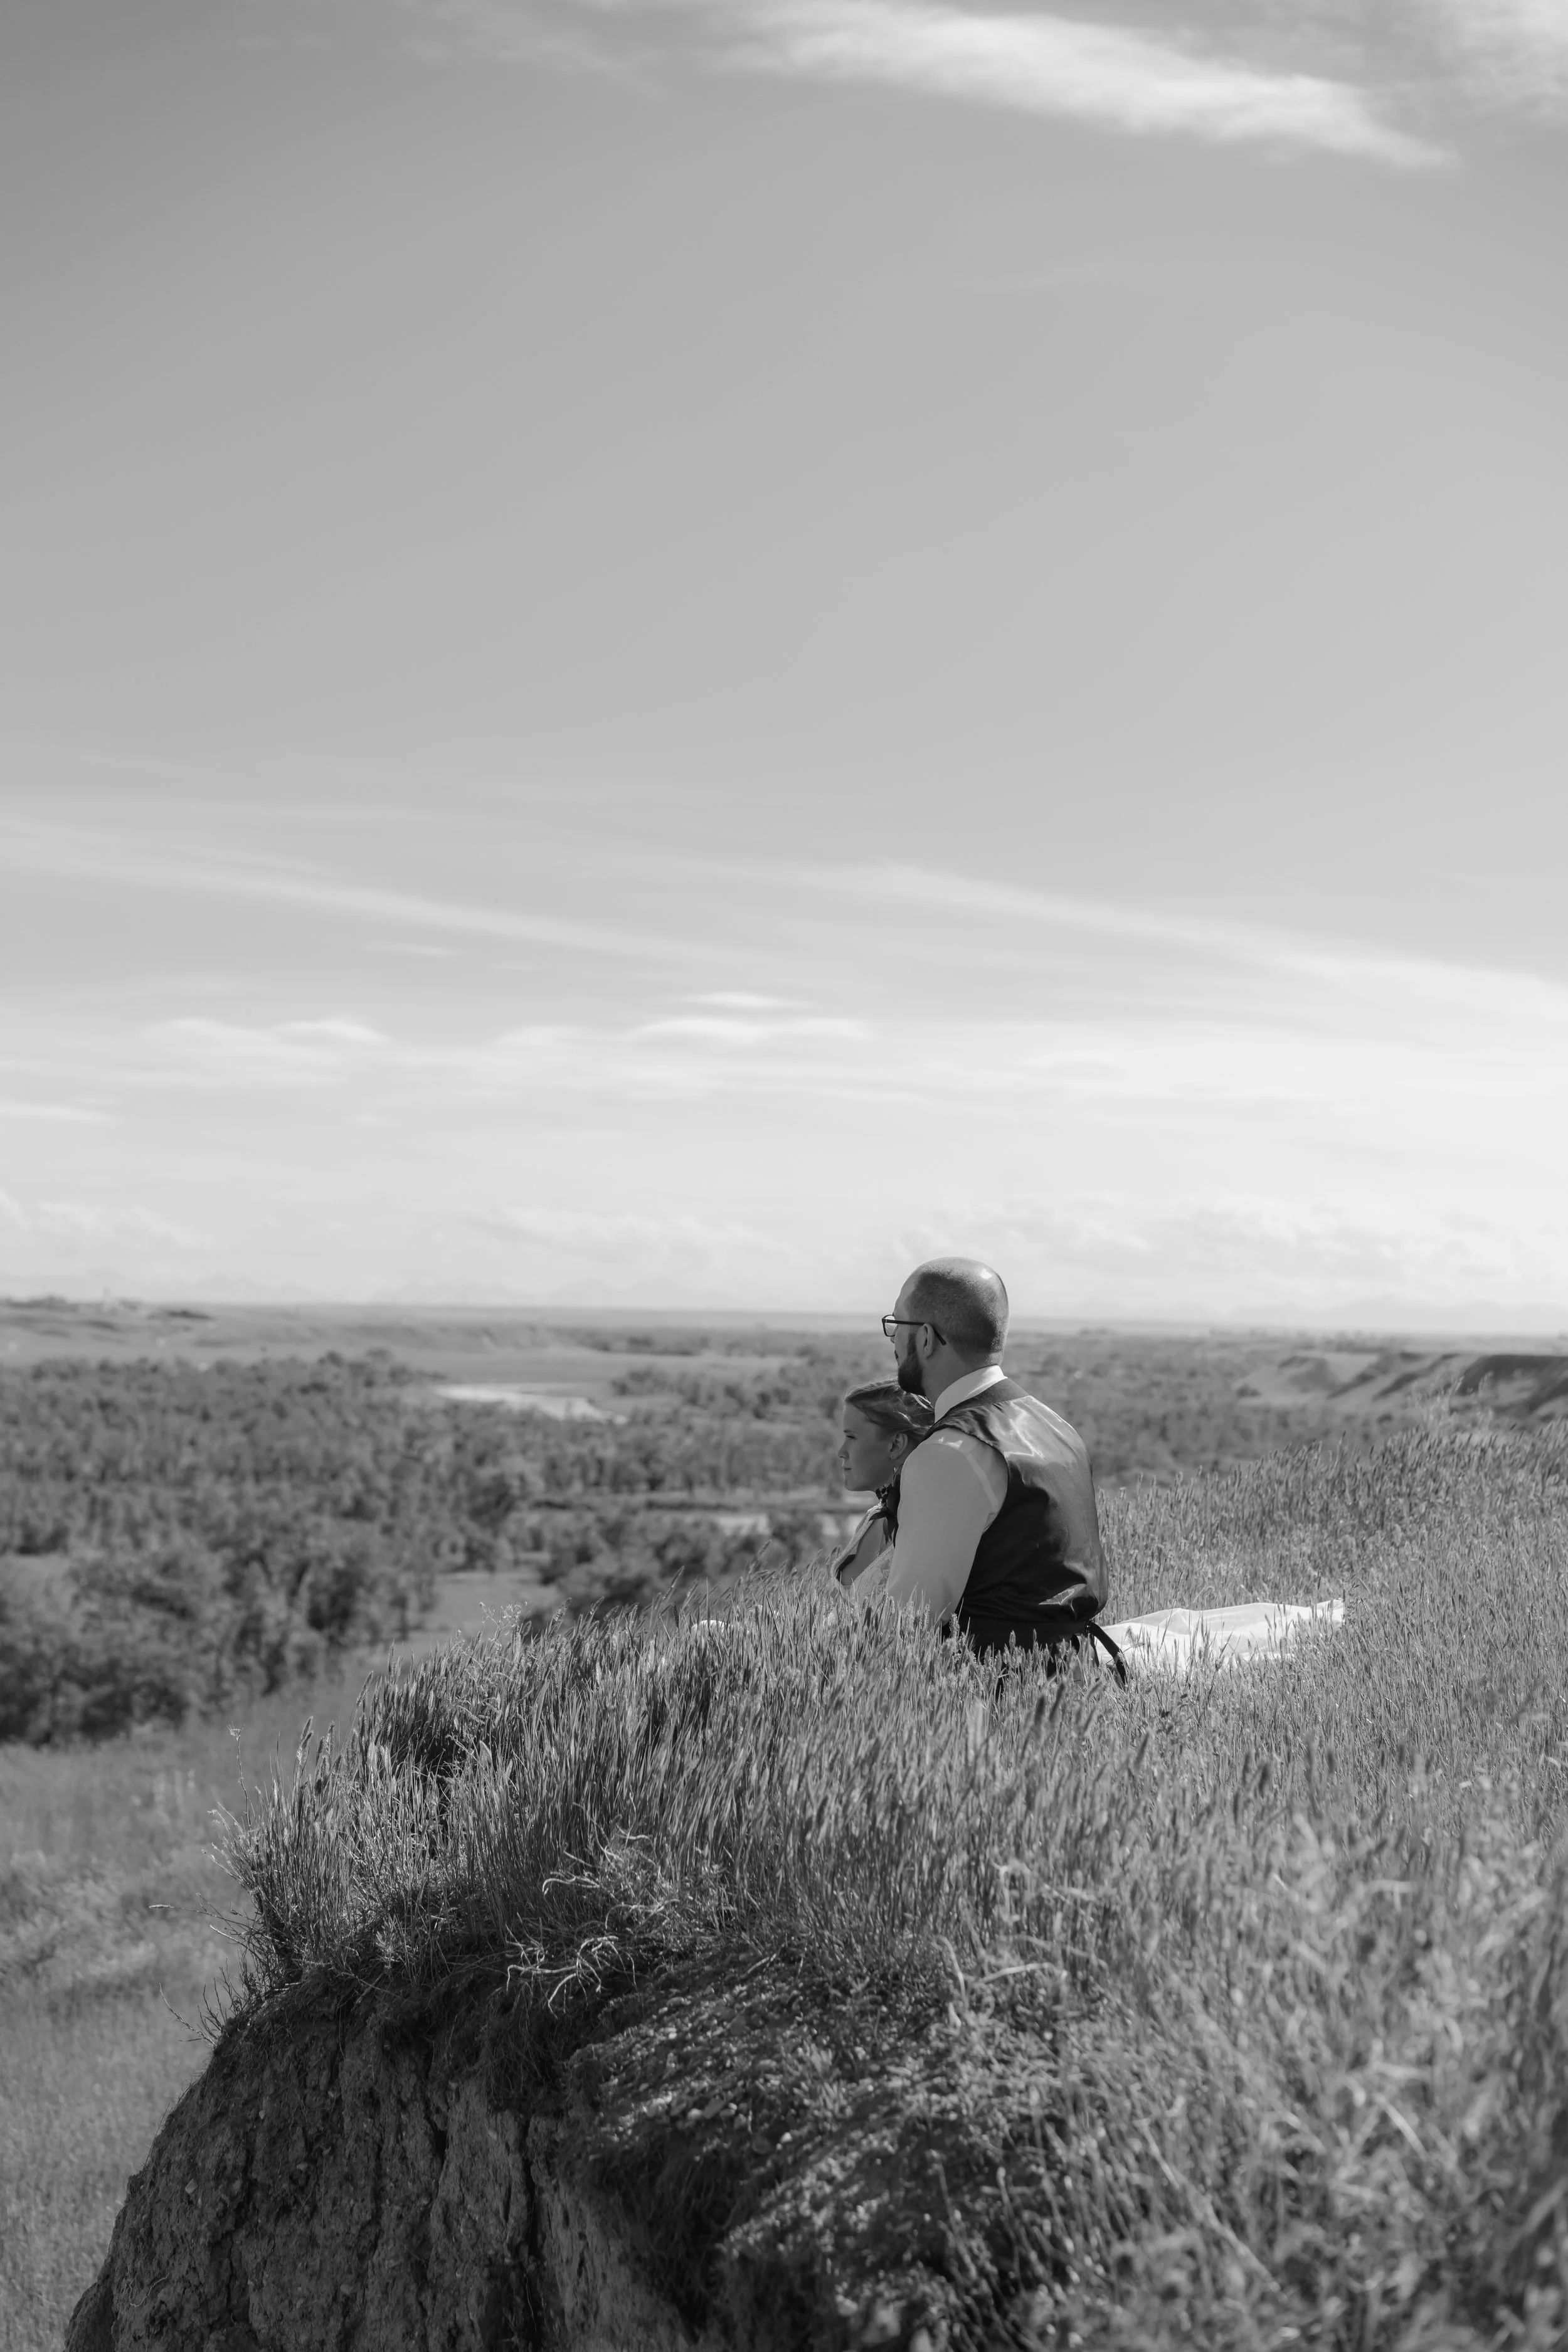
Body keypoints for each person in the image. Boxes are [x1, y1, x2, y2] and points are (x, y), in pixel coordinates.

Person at [881, 1256, 1123, 1674]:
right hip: (1079, 1680)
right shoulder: (1056, 1425)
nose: (892, 1341)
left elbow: (905, 1625)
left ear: (924, 1338)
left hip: (993, 1696)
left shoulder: (951, 1453)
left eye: (896, 1325)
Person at [829, 1380, 935, 1596]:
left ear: (895, 1445)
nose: (842, 1451)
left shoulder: (924, 1527)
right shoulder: (873, 1518)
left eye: (851, 1437)